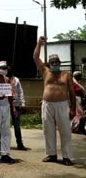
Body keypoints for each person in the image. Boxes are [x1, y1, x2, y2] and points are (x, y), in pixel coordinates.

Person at [33, 36, 76, 166]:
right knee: (48, 130)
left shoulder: (66, 75)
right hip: (47, 104)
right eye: (52, 62)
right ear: (49, 63)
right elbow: (35, 57)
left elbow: (72, 93)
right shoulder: (45, 72)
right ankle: (51, 154)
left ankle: (67, 156)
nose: (54, 64)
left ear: (60, 62)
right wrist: (39, 43)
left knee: (65, 131)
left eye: (56, 62)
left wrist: (73, 108)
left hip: (62, 105)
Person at [7, 65, 27, 150]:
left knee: (17, 126)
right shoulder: (2, 80)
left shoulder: (16, 80)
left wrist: (22, 103)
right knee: (4, 126)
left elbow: (20, 92)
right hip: (6, 105)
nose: (8, 71)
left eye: (10, 69)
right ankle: (1, 143)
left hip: (16, 105)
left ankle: (20, 144)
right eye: (7, 69)